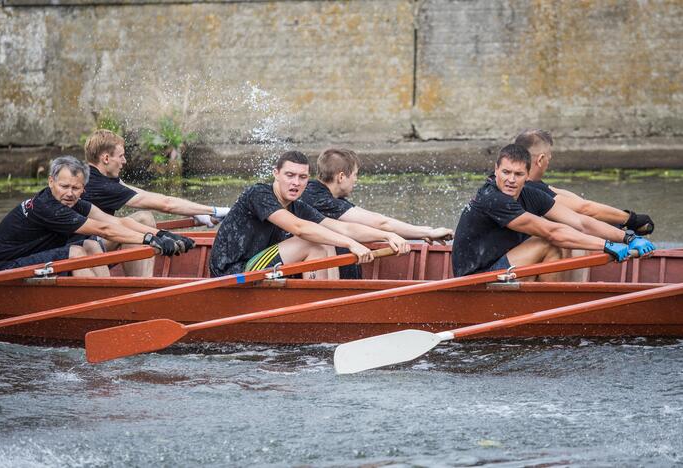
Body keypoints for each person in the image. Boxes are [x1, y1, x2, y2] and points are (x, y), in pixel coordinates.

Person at [451, 144, 655, 280]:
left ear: (528, 175)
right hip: (474, 279)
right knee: (548, 241)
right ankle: (547, 305)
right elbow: (552, 233)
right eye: (506, 172)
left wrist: (628, 237)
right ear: (496, 170)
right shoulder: (492, 198)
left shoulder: (532, 195)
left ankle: (549, 300)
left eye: (518, 174)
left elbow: (581, 222)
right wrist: (606, 245)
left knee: (570, 234)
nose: (511, 180)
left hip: (501, 267)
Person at [209, 151, 411, 279]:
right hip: (233, 272)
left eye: (302, 177)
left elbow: (344, 228)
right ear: (276, 174)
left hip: (261, 268)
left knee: (327, 240)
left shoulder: (299, 206)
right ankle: (323, 308)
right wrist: (351, 244)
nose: (296, 183)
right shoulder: (259, 194)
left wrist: (387, 236)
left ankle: (331, 303)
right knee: (311, 241)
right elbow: (300, 228)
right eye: (290, 175)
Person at [0, 156, 189, 276]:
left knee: (90, 245)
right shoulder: (47, 206)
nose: (69, 193)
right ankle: (107, 306)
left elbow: (116, 222)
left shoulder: (75, 203)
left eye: (76, 187)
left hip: (33, 258)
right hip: (2, 270)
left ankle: (120, 297)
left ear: (83, 188)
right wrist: (149, 240)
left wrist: (163, 234)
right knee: (75, 251)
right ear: (50, 182)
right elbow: (103, 229)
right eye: (64, 186)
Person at [82, 129, 228, 276]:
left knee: (143, 218)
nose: (124, 161)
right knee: (143, 220)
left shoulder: (92, 176)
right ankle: (141, 285)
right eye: (121, 156)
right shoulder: (102, 185)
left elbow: (146, 195)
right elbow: (166, 204)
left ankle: (139, 284)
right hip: (83, 254)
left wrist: (198, 212)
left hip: (95, 243)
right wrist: (214, 210)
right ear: (106, 158)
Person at [301, 147, 454, 278]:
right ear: (341, 177)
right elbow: (380, 223)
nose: (356, 180)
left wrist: (425, 232)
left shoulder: (327, 196)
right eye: (355, 174)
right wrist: (426, 232)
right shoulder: (317, 197)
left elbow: (375, 222)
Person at [515, 129, 654, 234]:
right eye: (548, 160)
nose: (548, 164)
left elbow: (571, 199)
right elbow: (585, 209)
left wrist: (613, 221)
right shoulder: (530, 188)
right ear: (540, 160)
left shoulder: (520, 182)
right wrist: (631, 219)